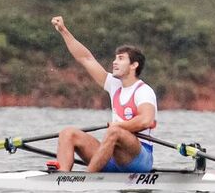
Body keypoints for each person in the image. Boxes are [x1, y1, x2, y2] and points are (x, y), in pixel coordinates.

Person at [51, 16, 157, 173]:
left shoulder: (143, 90)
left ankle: (87, 177)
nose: (114, 62)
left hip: (139, 159)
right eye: (115, 58)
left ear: (134, 65)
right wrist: (64, 31)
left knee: (114, 131)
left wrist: (118, 126)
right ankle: (62, 176)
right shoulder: (114, 85)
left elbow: (145, 120)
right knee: (68, 133)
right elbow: (86, 58)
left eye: (121, 59)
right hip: (113, 155)